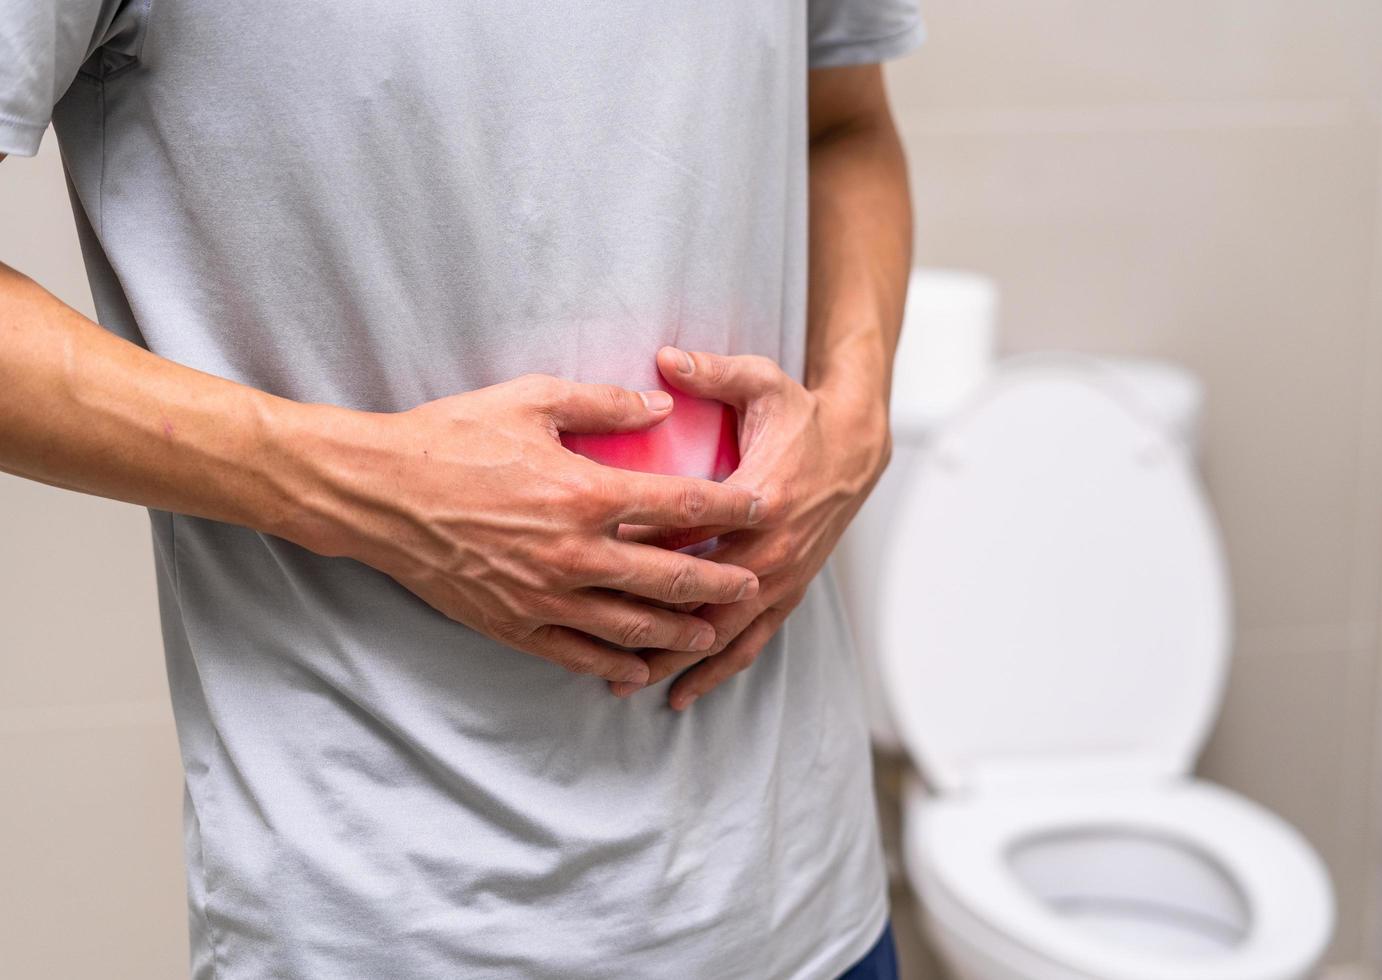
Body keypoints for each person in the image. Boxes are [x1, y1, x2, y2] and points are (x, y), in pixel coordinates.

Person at [0, 1, 921, 977]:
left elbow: (845, 120)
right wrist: (372, 490)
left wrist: (854, 418)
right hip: (392, 923)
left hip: (806, 901)